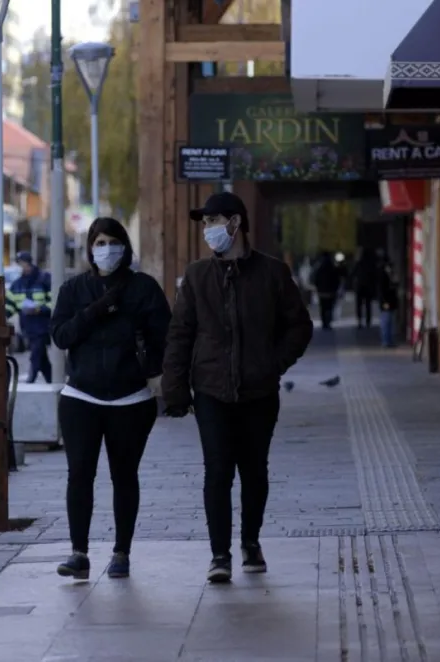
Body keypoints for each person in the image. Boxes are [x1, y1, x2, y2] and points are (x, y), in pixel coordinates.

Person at [161, 192, 313, 583]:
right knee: (217, 471)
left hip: (259, 392)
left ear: (235, 223)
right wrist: (175, 389)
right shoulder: (197, 276)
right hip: (211, 389)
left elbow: (300, 326)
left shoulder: (272, 273)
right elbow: (180, 334)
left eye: (213, 221)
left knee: (254, 470)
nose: (208, 230)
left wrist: (273, 363)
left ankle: (251, 542)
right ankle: (219, 554)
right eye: (205, 223)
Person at [49, 217, 171, 580]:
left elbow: (165, 337)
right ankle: (79, 552)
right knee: (79, 475)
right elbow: (61, 335)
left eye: (113, 242)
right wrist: (96, 310)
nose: (106, 250)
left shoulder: (143, 288)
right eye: (99, 243)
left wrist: (150, 370)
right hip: (80, 397)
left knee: (124, 476)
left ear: (125, 247)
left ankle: (121, 552)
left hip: (130, 399)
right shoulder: (74, 289)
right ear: (90, 249)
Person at [9, 251, 53, 383]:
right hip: (27, 326)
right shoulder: (17, 284)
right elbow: (10, 305)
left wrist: (40, 309)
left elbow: (55, 301)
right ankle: (51, 378)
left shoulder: (44, 279)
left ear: (28, 263)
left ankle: (31, 377)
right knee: (41, 355)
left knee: (36, 352)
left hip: (43, 325)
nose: (20, 267)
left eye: (21, 263)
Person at [311, 251, 341, 330]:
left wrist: (318, 288)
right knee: (329, 307)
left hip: (322, 292)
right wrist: (335, 289)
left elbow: (315, 279)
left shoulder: (319, 267)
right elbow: (337, 279)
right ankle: (328, 322)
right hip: (330, 292)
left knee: (323, 308)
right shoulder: (332, 267)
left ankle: (324, 322)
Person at [349, 247, 376, 328]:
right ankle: (368, 321)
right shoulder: (371, 264)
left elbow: (352, 274)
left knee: (359, 305)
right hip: (368, 287)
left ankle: (360, 321)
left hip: (360, 287)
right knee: (368, 305)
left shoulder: (359, 263)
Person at [379, 261, 399, 348]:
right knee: (386, 322)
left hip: (391, 302)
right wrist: (384, 302)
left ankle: (389, 340)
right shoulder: (383, 276)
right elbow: (381, 291)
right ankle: (386, 341)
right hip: (386, 302)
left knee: (390, 323)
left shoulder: (390, 276)